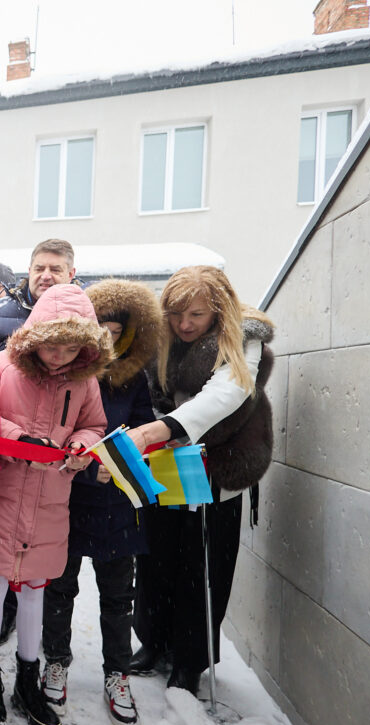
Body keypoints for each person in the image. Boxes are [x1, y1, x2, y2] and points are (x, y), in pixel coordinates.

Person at [126, 265, 275, 695]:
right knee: (156, 559)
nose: (184, 324)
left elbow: (227, 394)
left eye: (196, 314)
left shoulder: (246, 338)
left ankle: (190, 661)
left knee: (203, 568)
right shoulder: (158, 338)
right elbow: (147, 394)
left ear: (219, 310)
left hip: (218, 472)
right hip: (168, 467)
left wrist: (166, 427)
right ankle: (153, 643)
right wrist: (157, 427)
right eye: (175, 314)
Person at [0, 284, 108, 725]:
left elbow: (93, 425)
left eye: (71, 347)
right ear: (34, 336)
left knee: (35, 590)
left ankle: (27, 679)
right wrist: (19, 440)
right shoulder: (3, 367)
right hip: (2, 493)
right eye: (52, 344)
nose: (59, 356)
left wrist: (81, 446)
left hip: (51, 500)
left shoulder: (84, 381)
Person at [40, 279, 162, 725]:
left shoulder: (135, 377)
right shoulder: (68, 373)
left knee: (117, 595)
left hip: (118, 501)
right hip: (69, 496)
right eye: (100, 329)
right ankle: (56, 662)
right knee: (60, 586)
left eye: (116, 330)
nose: (108, 338)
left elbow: (148, 427)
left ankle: (118, 673)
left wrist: (129, 452)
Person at [0, 239, 81, 358]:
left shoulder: (87, 311)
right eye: (39, 269)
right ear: (30, 271)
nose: (45, 276)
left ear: (70, 274)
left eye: (55, 270)